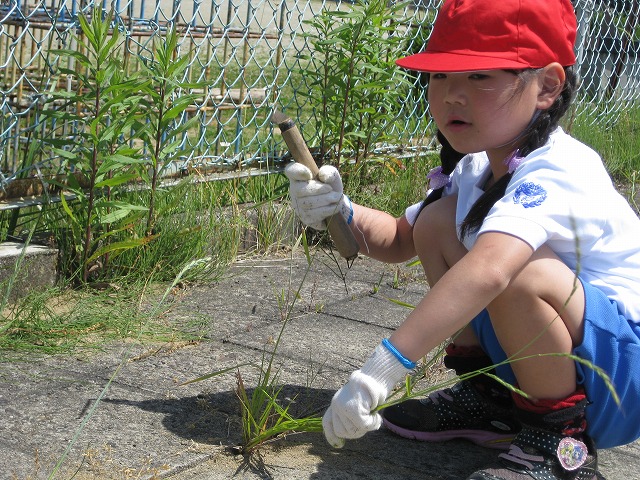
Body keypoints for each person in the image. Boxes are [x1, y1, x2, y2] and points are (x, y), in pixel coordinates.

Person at [284, 0, 640, 478]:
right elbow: (402, 239)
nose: (452, 95)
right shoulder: (475, 166)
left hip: (619, 378)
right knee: (438, 222)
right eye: (439, 76)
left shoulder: (560, 168)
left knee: (516, 272)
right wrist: (339, 210)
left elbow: (491, 269)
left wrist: (379, 374)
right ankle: (490, 396)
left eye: (478, 77)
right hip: (556, 358)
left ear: (548, 86)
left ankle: (561, 445)